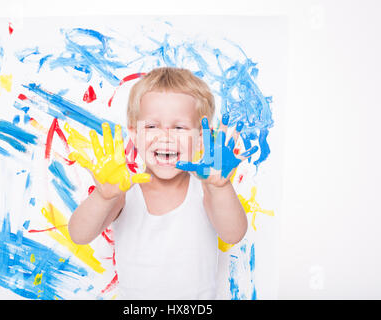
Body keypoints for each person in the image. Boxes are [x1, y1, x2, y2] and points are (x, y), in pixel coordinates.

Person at [68, 67, 253, 299]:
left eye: (179, 127)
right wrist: (103, 196)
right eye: (152, 126)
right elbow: (79, 235)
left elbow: (233, 234)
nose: (165, 136)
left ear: (200, 138)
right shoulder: (124, 192)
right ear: (134, 135)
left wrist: (220, 187)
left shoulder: (206, 190)